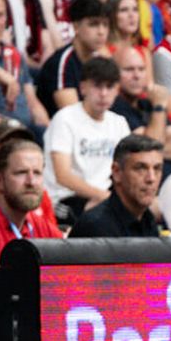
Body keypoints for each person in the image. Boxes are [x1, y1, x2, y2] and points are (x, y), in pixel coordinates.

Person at [42, 54, 130, 218]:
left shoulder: (119, 123)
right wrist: (106, 198)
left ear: (117, 90)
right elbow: (63, 176)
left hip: (103, 197)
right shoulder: (65, 119)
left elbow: (127, 168)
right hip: (64, 199)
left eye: (109, 87)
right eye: (97, 86)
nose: (103, 93)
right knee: (103, 213)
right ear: (83, 88)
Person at [67, 133, 164, 237]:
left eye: (157, 168)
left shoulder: (148, 220)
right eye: (140, 168)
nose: (151, 178)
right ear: (117, 172)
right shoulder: (94, 226)